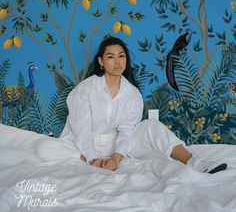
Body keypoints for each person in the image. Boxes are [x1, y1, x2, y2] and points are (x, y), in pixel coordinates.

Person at [35, 37, 227, 174]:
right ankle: (82, 158)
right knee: (43, 148)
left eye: (121, 56)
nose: (117, 61)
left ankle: (196, 162)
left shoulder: (132, 94)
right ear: (101, 62)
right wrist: (93, 158)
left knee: (151, 126)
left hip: (117, 146)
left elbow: (127, 131)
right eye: (110, 57)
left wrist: (116, 159)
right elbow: (82, 129)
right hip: (84, 144)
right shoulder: (85, 89)